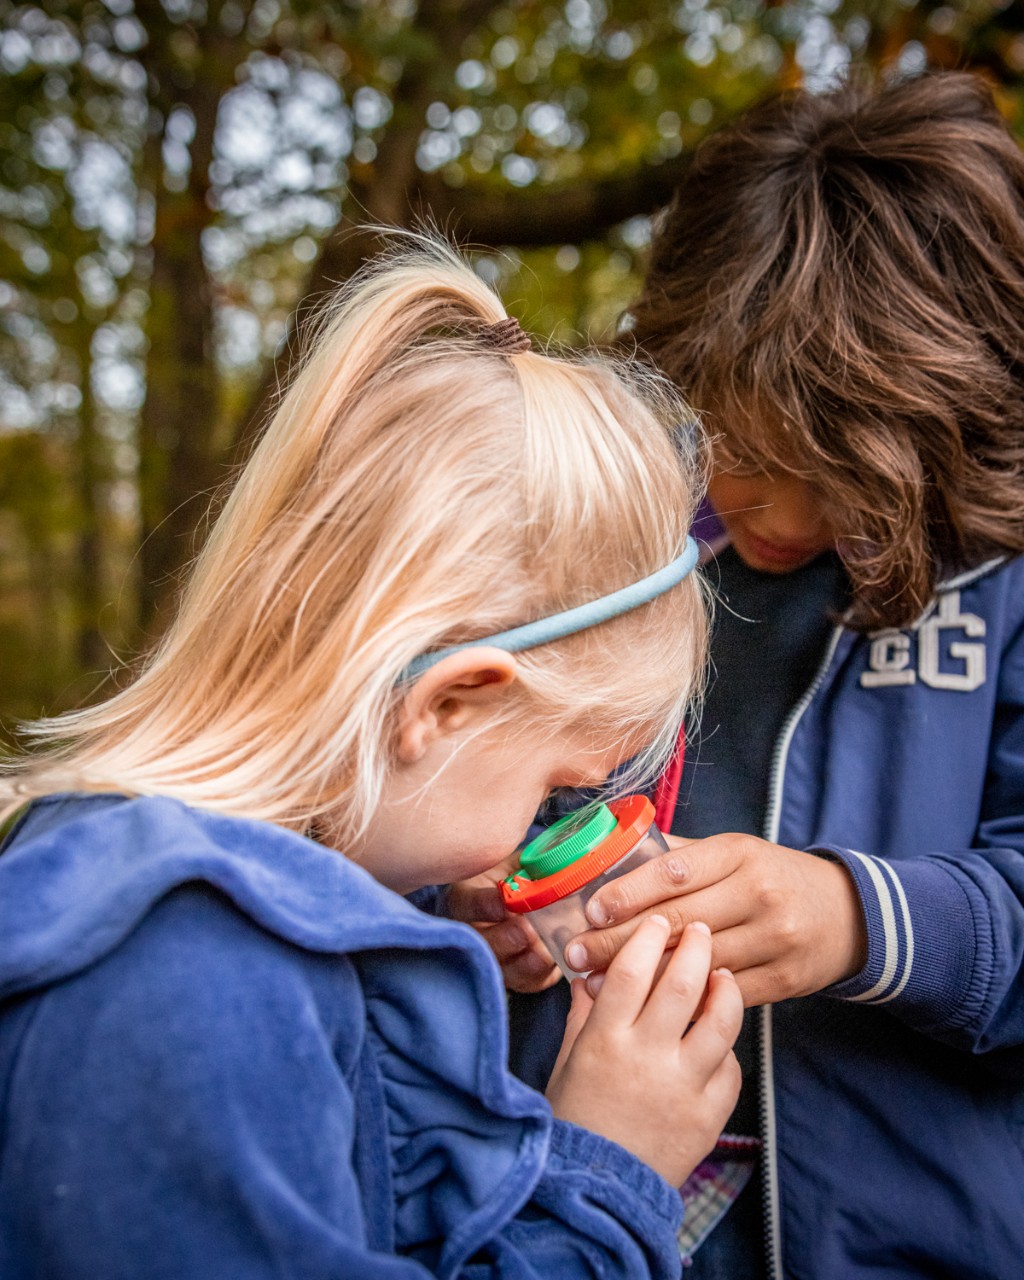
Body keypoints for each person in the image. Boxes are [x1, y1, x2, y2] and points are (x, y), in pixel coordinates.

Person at [0, 241, 744, 1279]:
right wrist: (606, 1169)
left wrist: (421, 955)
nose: (532, 833)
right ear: (446, 703)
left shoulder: (217, 924)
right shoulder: (182, 985)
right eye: (553, 788)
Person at [450, 73, 1024, 1278]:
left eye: (837, 471)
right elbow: (486, 796)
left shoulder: (1004, 583)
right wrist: (485, 907)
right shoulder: (613, 559)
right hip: (601, 1219)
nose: (770, 504)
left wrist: (859, 916)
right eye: (736, 445)